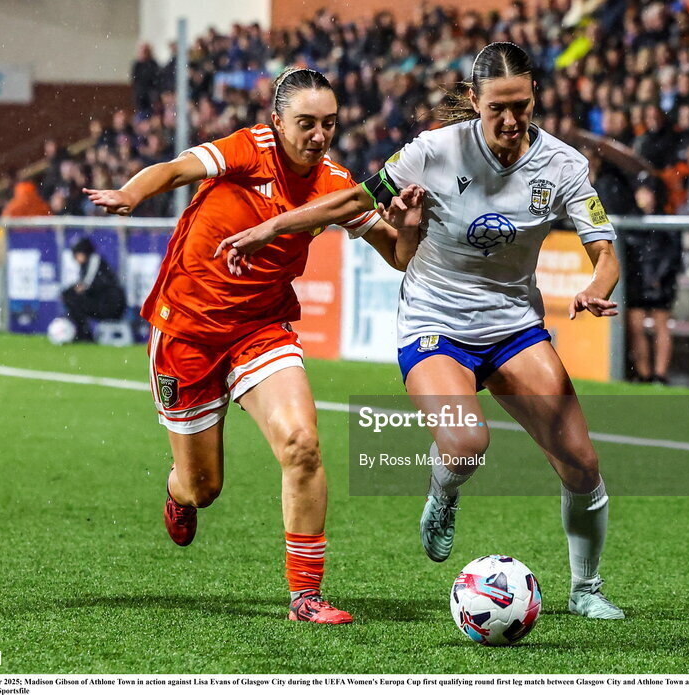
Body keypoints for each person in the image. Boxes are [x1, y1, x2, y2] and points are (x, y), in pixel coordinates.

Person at [218, 43, 625, 620]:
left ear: (535, 98)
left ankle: (586, 588)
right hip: (435, 321)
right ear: (475, 102)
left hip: (513, 325)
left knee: (581, 463)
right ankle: (444, 491)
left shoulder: (562, 165)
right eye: (497, 108)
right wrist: (273, 226)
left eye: (522, 106)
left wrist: (595, 287)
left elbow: (604, 252)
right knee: (466, 445)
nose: (510, 121)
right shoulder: (433, 152)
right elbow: (357, 200)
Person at [83, 67, 419, 624]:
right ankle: (178, 493)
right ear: (277, 122)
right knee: (203, 487)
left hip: (261, 327)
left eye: (329, 124)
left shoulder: (336, 183)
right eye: (305, 123)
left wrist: (407, 225)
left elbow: (399, 254)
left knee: (302, 444)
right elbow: (174, 169)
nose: (318, 135)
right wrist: (131, 192)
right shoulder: (248, 148)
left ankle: (305, 597)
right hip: (187, 330)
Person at [623, 173, 681, 384]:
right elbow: (627, 253)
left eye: (647, 191)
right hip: (637, 280)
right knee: (635, 327)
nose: (643, 196)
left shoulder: (666, 219)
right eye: (640, 191)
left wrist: (659, 277)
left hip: (659, 280)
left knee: (661, 325)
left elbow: (674, 253)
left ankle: (660, 374)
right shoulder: (629, 219)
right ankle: (644, 373)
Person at [60, 237, 127, 343]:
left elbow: (86, 285)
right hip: (103, 302)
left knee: (71, 297)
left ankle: (84, 334)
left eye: (77, 253)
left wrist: (73, 290)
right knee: (69, 295)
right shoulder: (86, 264)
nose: (75, 257)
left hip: (111, 306)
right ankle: (82, 332)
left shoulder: (95, 260)